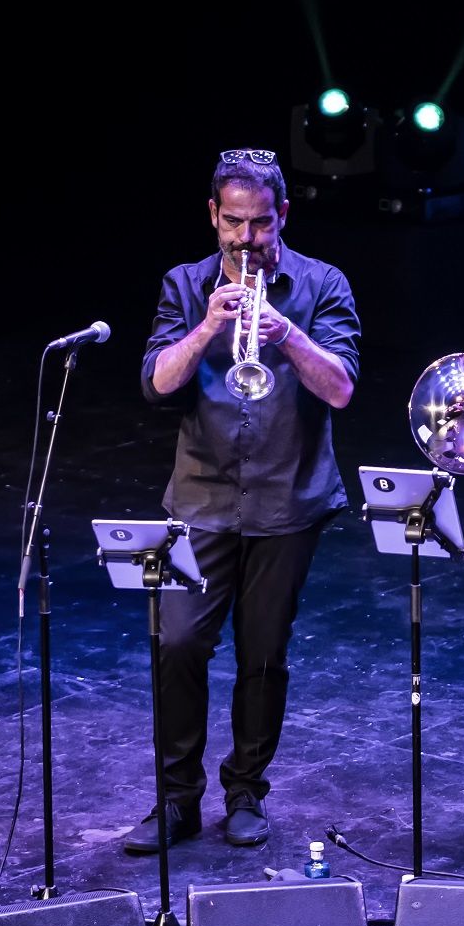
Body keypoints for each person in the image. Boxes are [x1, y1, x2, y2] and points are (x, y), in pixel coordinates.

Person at [131, 148, 360, 854]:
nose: (247, 240)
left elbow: (342, 389)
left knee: (263, 654)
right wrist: (207, 326)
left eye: (260, 225)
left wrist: (287, 336)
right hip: (199, 499)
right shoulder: (184, 283)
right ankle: (176, 799)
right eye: (233, 223)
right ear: (213, 215)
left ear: (282, 216)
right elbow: (156, 384)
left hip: (288, 500)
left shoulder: (322, 285)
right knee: (176, 643)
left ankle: (246, 791)